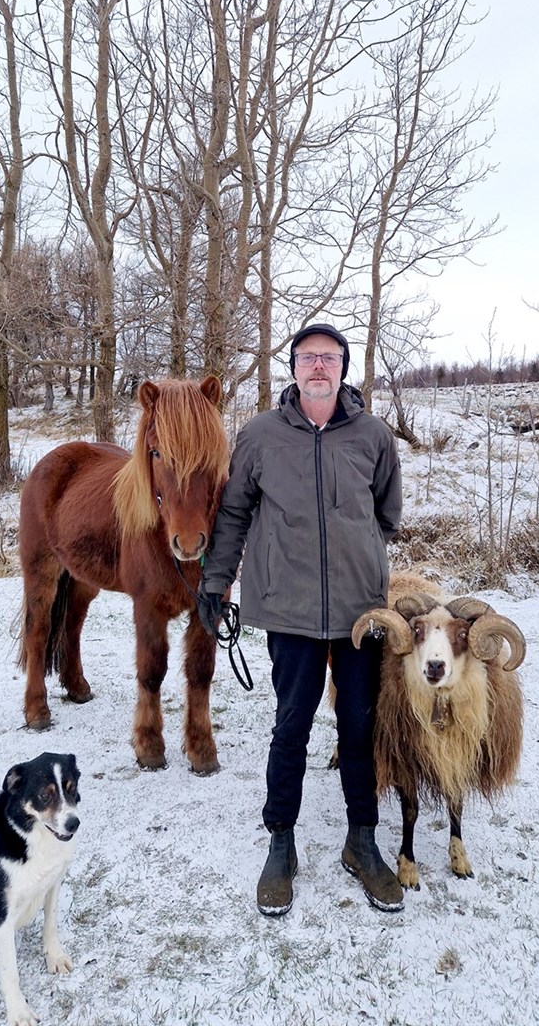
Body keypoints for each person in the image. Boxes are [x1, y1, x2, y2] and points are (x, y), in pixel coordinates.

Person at [198, 324, 403, 916]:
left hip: (360, 612)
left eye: (330, 359)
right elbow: (233, 513)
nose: (319, 367)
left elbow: (385, 515)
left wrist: (351, 553)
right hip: (287, 611)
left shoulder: (372, 436)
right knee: (291, 726)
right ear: (292, 369)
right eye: (309, 358)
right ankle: (281, 844)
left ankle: (361, 842)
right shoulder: (260, 436)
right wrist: (217, 580)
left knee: (359, 728)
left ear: (344, 368)